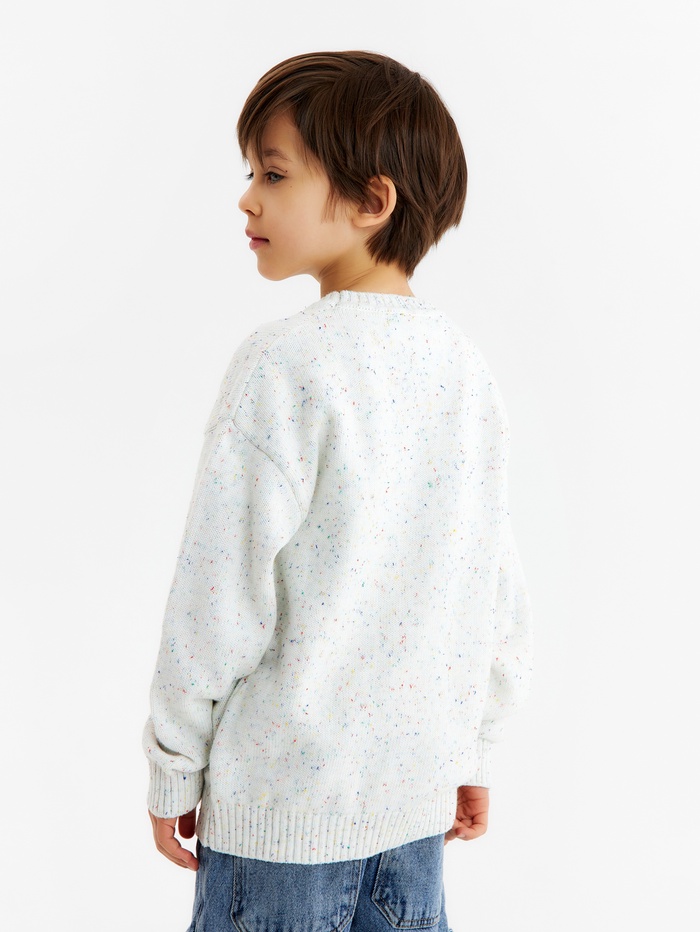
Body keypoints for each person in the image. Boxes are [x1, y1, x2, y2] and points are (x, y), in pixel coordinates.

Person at [144, 50, 533, 931]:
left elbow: (218, 591)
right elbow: (492, 588)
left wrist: (173, 764)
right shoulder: (464, 369)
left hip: (280, 823)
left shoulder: (284, 364)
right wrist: (472, 750)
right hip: (414, 814)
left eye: (273, 174)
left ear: (371, 201)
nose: (247, 200)